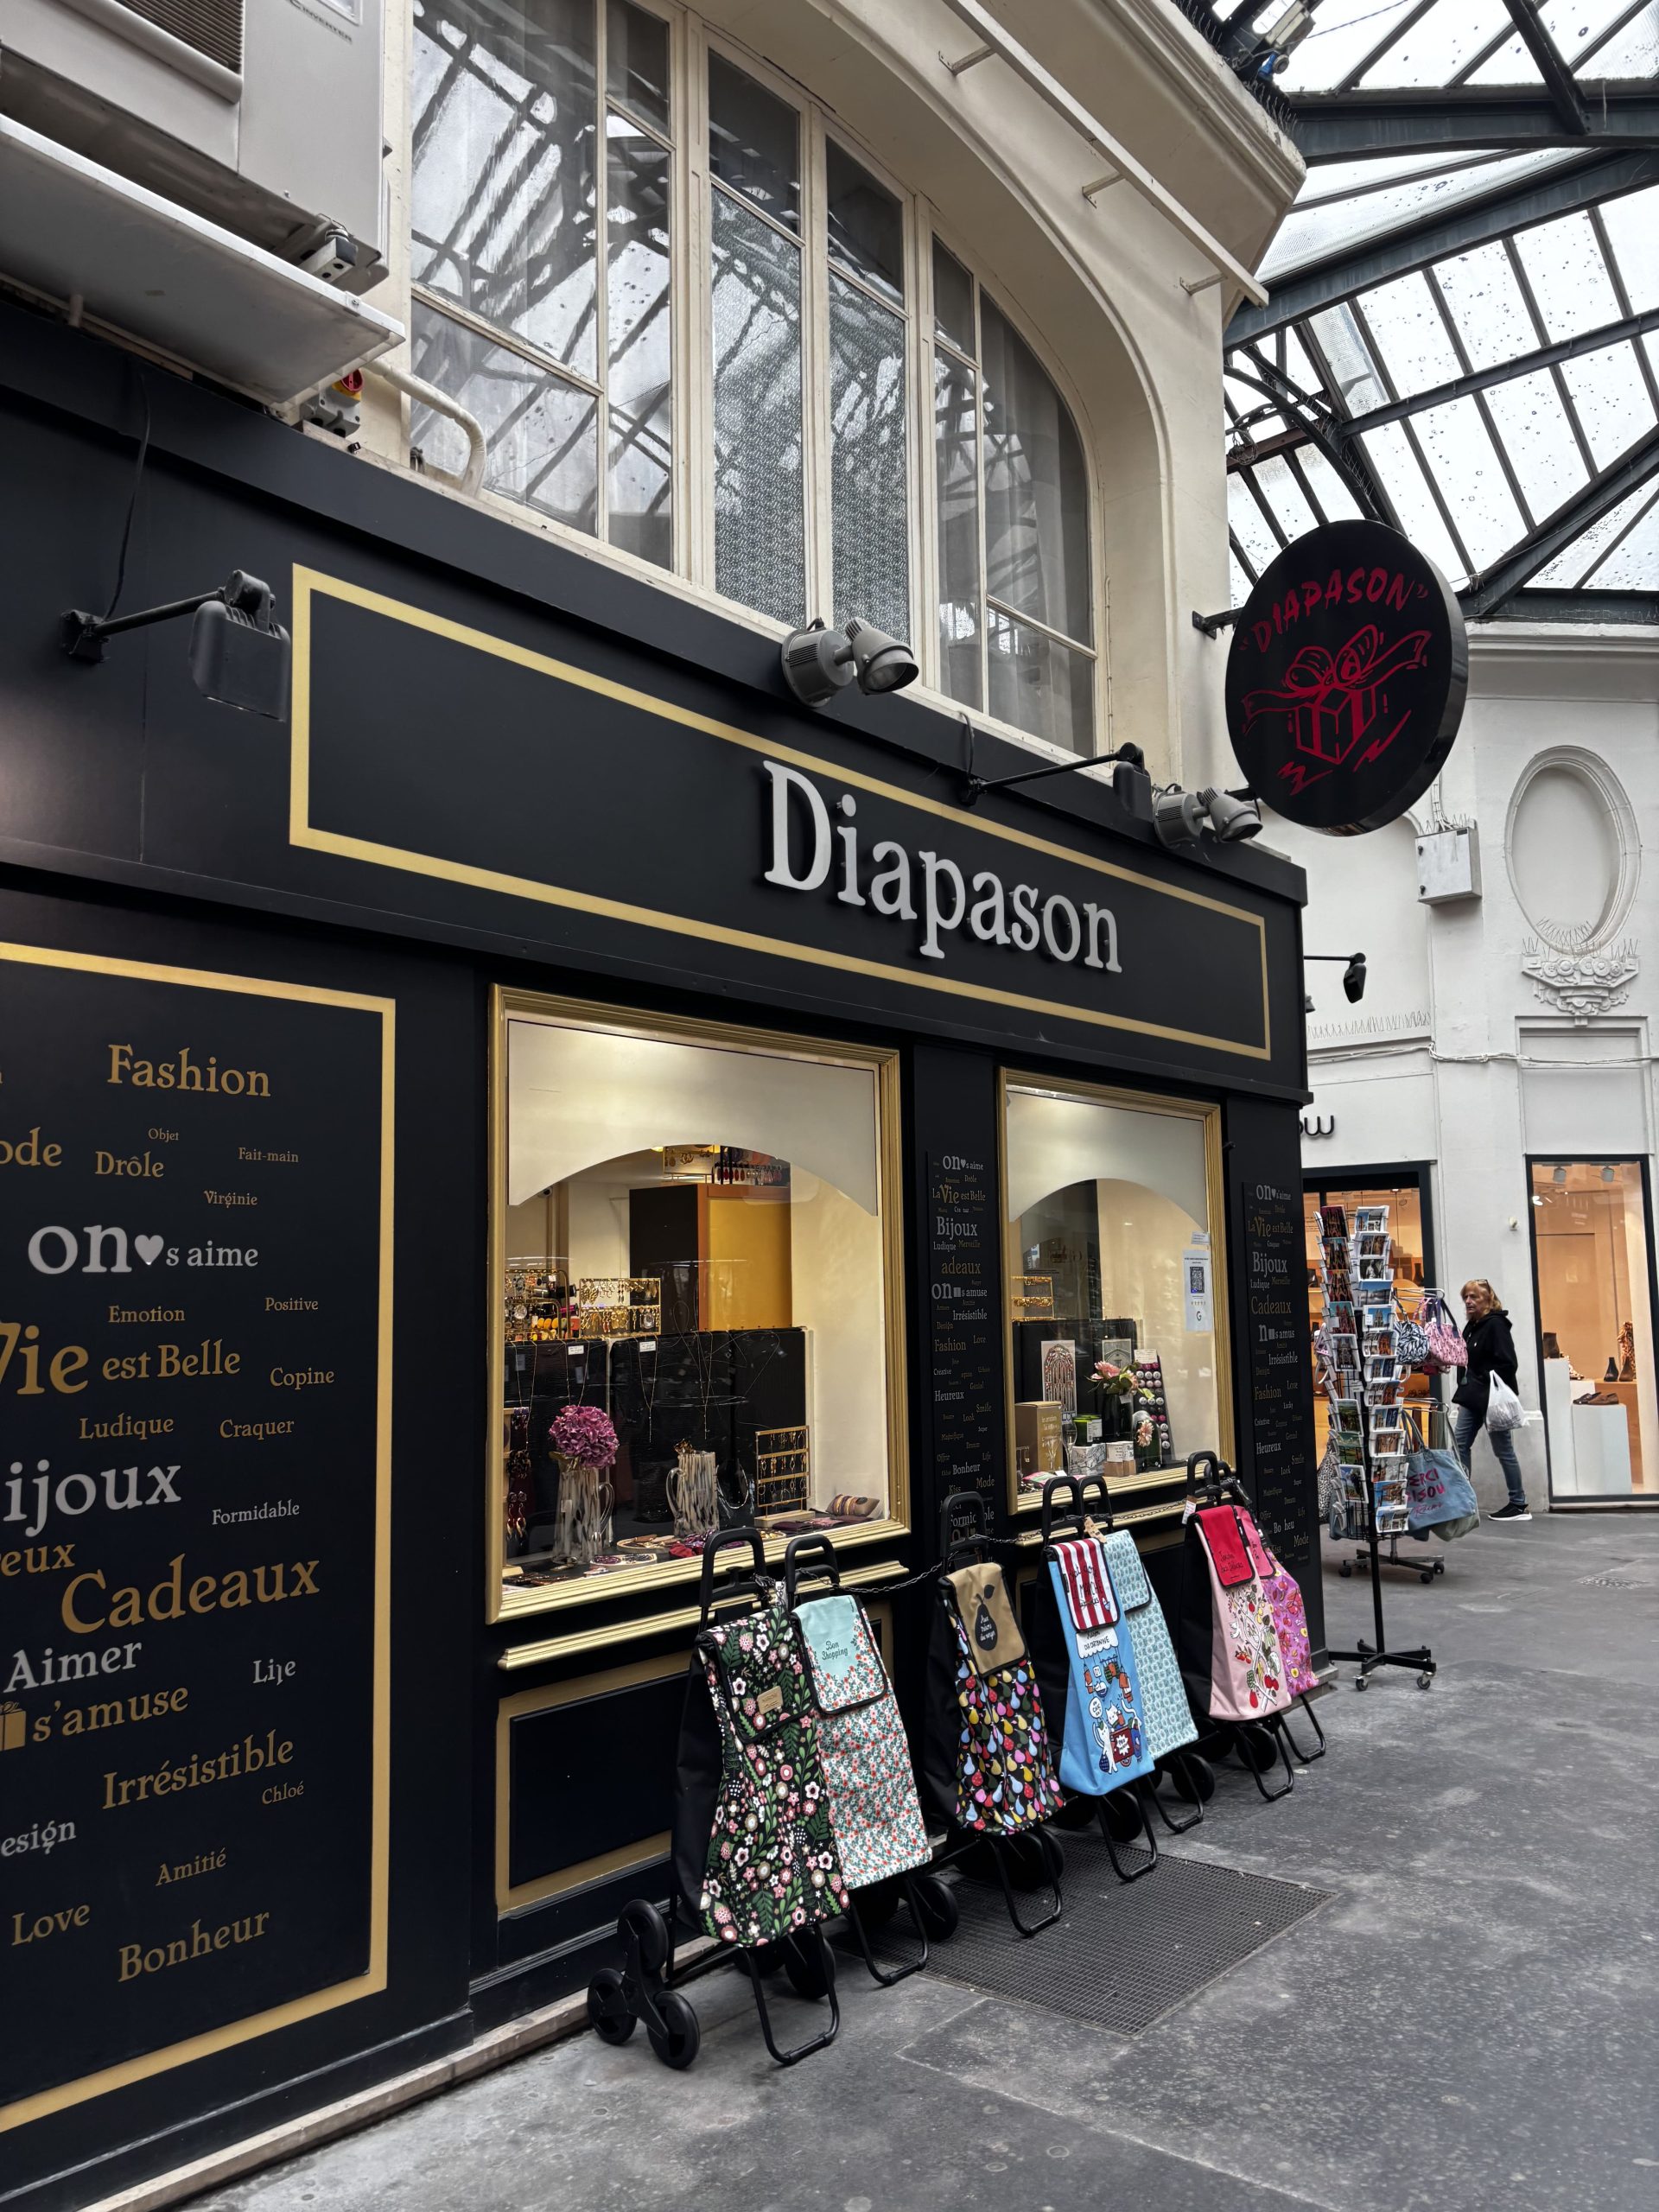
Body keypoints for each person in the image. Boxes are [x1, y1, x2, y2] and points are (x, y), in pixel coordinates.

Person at [1453, 1278, 1529, 1522]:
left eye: (1474, 1297)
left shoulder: (1496, 1325)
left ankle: (1518, 1504)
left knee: (1503, 1450)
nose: (1468, 1301)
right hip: (1472, 1398)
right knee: (1459, 1445)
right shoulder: (1473, 1326)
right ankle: (1464, 1502)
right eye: (1466, 1297)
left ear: (1488, 1299)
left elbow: (1508, 1363)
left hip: (1491, 1399)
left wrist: (1482, 1380)